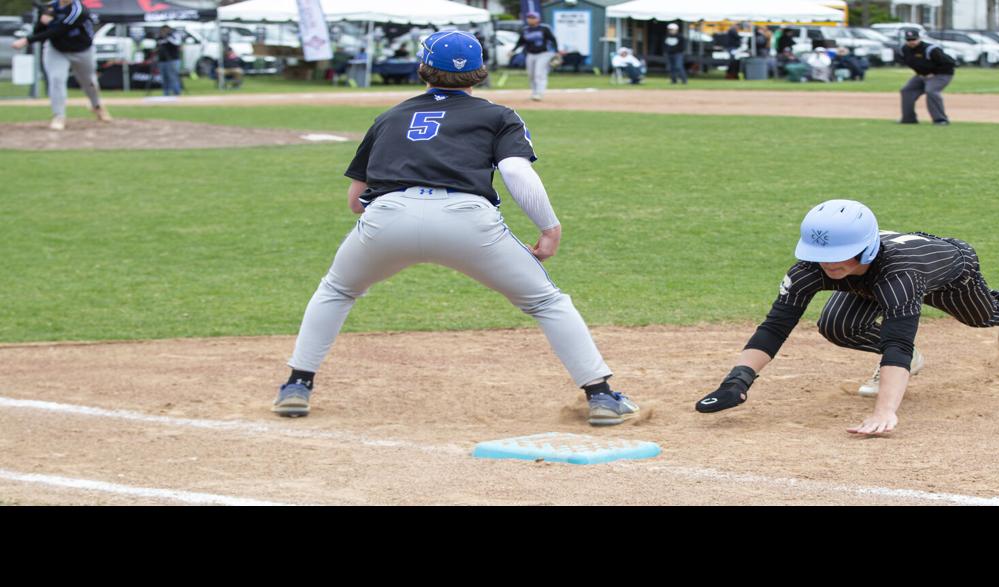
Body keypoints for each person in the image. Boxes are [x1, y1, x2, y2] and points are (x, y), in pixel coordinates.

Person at [272, 32, 640, 427]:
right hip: (467, 218)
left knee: (338, 290)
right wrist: (548, 228)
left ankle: (297, 385)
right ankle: (601, 396)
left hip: (388, 215)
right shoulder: (498, 115)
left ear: (421, 69)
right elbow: (516, 170)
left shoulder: (390, 117)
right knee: (546, 302)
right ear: (479, 74)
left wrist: (394, 215)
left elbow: (354, 199)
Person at [694, 200, 999, 436]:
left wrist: (884, 411)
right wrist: (737, 382)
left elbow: (898, 340)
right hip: (870, 280)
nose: (828, 264)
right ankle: (908, 364)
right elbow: (775, 326)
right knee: (836, 326)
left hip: (948, 273)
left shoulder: (900, 274)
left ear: (866, 249)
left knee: (982, 316)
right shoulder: (814, 268)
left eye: (839, 255)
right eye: (821, 255)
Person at [9, 0, 113, 132]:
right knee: (56, 79)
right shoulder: (51, 7)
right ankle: (58, 116)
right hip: (56, 50)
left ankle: (97, 106)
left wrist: (27, 40)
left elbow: (59, 30)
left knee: (89, 82)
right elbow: (38, 30)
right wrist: (43, 20)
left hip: (82, 50)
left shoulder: (79, 10)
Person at [898, 28, 956, 126]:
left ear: (919, 38)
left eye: (914, 39)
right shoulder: (905, 49)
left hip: (942, 74)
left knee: (931, 91)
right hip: (922, 75)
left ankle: (940, 120)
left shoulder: (931, 49)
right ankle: (908, 119)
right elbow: (910, 62)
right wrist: (921, 73)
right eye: (909, 40)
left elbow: (950, 63)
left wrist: (934, 73)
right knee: (906, 90)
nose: (911, 42)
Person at [516, 12, 559, 101]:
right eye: (529, 17)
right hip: (531, 54)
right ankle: (534, 92)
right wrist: (512, 51)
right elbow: (520, 42)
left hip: (544, 54)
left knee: (539, 73)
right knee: (531, 74)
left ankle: (539, 93)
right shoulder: (525, 30)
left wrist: (556, 51)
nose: (530, 19)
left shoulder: (544, 28)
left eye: (533, 17)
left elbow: (553, 39)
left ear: (538, 19)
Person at [153, 26, 182, 97]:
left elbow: (177, 44)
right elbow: (157, 47)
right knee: (164, 78)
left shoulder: (173, 36)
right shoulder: (159, 38)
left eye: (165, 30)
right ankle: (166, 93)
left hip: (173, 59)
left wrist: (167, 38)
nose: (163, 32)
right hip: (162, 60)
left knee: (173, 76)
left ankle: (176, 92)